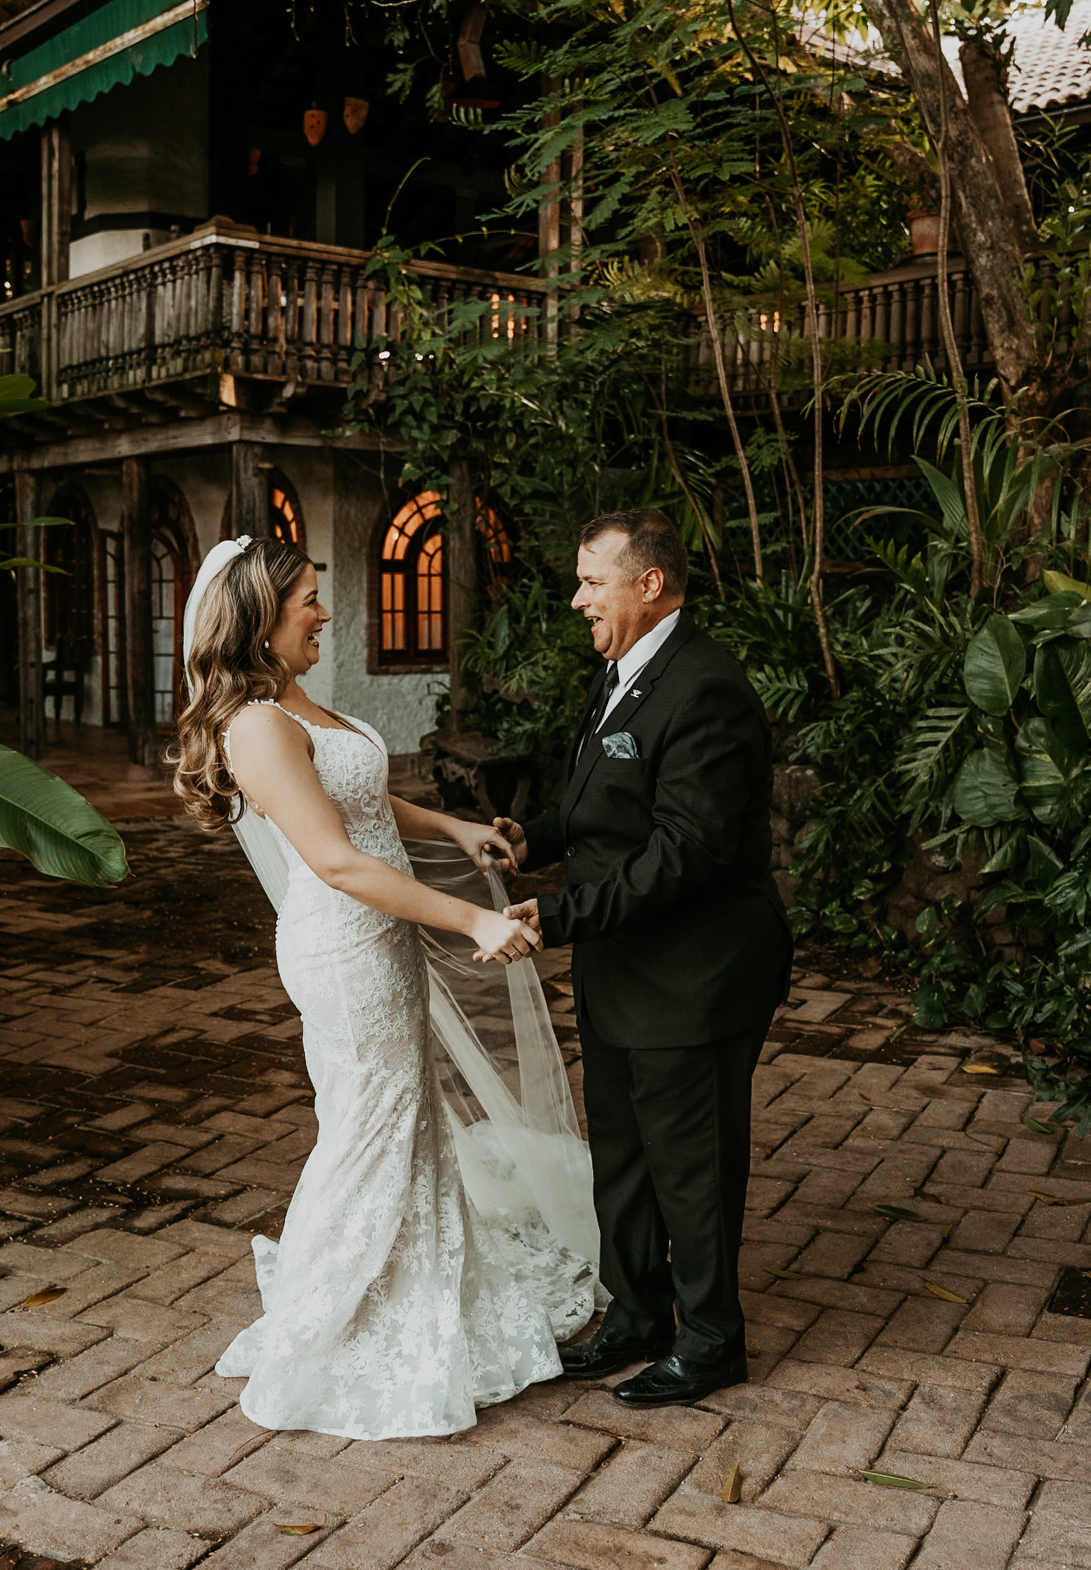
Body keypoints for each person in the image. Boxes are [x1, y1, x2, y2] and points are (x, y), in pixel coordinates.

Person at [173, 535, 595, 1440]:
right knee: (369, 1129)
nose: (325, 615)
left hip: (378, 941)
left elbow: (361, 798)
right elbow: (334, 858)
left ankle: (407, 1293)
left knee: (400, 1122)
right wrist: (474, 920)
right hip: (344, 949)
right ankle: (318, 1331)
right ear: (261, 617)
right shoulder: (254, 724)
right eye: (309, 603)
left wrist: (452, 825)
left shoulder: (295, 704)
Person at [495, 508, 792, 1408]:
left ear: (649, 584)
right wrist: (532, 837)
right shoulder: (623, 671)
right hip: (624, 968)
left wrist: (561, 912)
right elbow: (608, 809)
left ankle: (711, 1340)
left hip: (693, 974)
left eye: (593, 580)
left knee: (690, 1164)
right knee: (623, 1153)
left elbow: (684, 853)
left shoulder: (706, 687)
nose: (578, 598)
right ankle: (636, 1315)